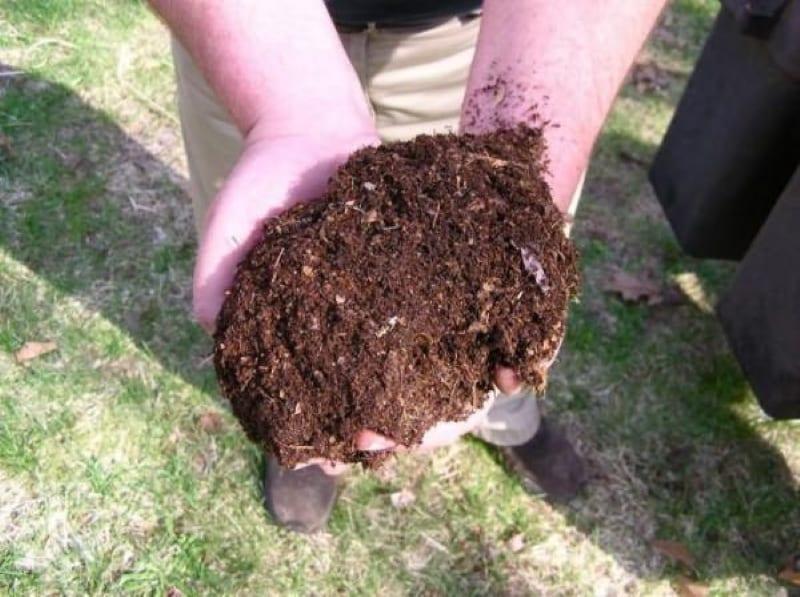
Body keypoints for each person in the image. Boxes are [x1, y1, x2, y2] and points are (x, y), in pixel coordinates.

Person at [147, 0, 667, 534]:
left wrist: (514, 166)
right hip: (247, 36)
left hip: (498, 43)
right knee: (262, 257)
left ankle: (507, 416)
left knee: (513, 290)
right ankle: (304, 435)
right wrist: (286, 115)